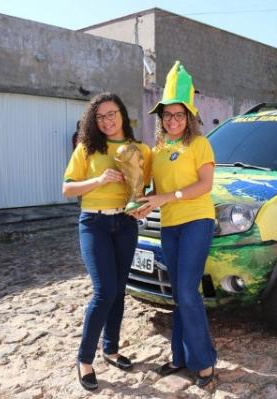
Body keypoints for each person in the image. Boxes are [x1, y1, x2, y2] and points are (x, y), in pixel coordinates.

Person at [134, 61, 217, 388]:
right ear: (161, 119)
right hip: (170, 226)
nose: (173, 120)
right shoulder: (156, 150)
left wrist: (165, 198)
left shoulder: (200, 145)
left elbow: (204, 185)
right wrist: (141, 205)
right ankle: (180, 357)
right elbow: (154, 191)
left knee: (185, 290)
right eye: (167, 115)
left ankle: (205, 361)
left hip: (197, 220)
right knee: (180, 293)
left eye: (179, 114)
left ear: (190, 116)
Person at [62, 92, 151, 391]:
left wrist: (140, 204)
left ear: (122, 114)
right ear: (93, 121)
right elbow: (67, 189)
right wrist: (99, 181)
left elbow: (144, 188)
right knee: (104, 291)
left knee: (119, 290)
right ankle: (84, 359)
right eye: (100, 117)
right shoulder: (87, 148)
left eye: (111, 114)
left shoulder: (140, 149)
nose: (107, 121)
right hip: (94, 223)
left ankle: (110, 349)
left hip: (125, 224)